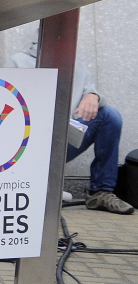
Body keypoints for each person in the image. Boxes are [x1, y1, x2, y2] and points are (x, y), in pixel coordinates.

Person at [9, 41, 134, 214]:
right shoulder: (18, 62)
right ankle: (28, 185)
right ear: (40, 31)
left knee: (109, 116)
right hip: (26, 146)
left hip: (61, 140)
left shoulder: (78, 66)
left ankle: (100, 192)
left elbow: (92, 93)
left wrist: (93, 95)